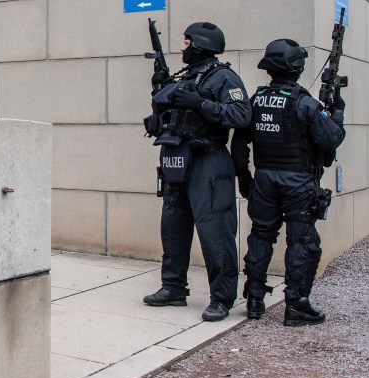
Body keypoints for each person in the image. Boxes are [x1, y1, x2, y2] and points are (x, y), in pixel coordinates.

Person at [231, 39, 346, 326]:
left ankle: (254, 299)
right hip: (298, 181)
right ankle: (296, 304)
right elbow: (331, 139)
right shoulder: (305, 102)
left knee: (260, 236)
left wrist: (246, 180)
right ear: (297, 67)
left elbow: (239, 146)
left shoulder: (255, 100)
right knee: (303, 241)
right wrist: (338, 112)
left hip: (264, 179)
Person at [142, 22, 251, 321]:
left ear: (201, 45)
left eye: (186, 42)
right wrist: (161, 87)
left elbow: (242, 115)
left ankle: (221, 298)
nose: (182, 47)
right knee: (173, 227)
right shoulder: (184, 76)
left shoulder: (224, 77)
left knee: (215, 231)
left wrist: (201, 103)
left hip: (209, 161)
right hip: (178, 158)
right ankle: (173, 288)